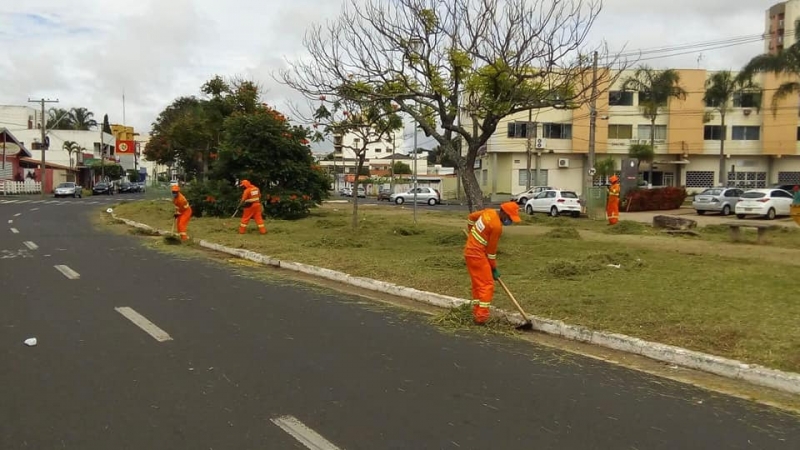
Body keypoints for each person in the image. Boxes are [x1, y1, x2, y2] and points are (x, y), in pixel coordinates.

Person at [464, 201, 521, 324]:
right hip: (478, 255)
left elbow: (470, 218)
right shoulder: (496, 227)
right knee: (487, 284)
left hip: (469, 252)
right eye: (510, 217)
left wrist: (471, 234)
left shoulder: (488, 212)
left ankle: (476, 311)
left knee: (478, 284)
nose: (510, 221)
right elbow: (491, 252)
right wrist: (493, 269)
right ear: (504, 213)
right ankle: (481, 317)